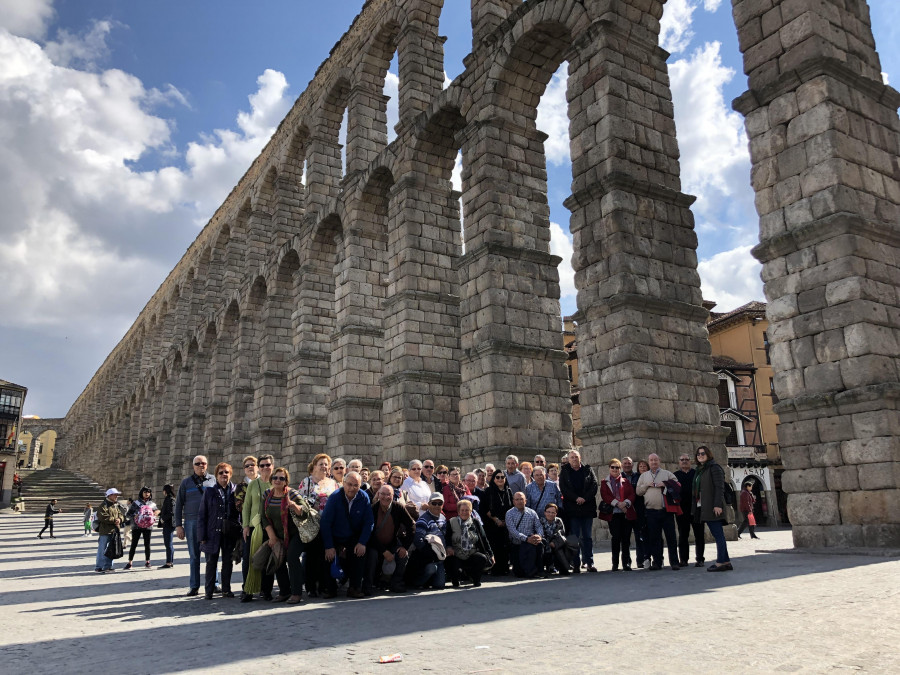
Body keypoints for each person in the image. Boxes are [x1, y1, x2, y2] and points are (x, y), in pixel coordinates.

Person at [321, 471, 374, 599]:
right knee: (326, 555)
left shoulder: (363, 497)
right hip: (335, 535)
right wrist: (329, 546)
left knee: (360, 553)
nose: (352, 488)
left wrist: (362, 542)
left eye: (356, 485)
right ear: (343, 483)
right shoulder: (334, 497)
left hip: (352, 536)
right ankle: (329, 588)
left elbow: (369, 522)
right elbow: (325, 523)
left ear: (360, 485)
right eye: (349, 484)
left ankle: (354, 587)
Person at [260, 467, 307, 604]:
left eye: (281, 478)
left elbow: (305, 513)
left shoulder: (292, 494)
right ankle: (284, 591)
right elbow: (263, 516)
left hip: (295, 534)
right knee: (278, 559)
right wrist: (272, 536)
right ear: (271, 479)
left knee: (292, 558)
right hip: (277, 534)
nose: (278, 480)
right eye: (275, 478)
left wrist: (294, 506)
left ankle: (296, 593)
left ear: (286, 481)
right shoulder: (267, 494)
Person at [199, 463, 241, 599]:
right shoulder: (209, 491)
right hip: (212, 532)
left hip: (229, 532)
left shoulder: (236, 491)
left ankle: (226, 589)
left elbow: (240, 513)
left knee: (228, 562)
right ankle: (209, 591)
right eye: (221, 472)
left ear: (230, 474)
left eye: (227, 472)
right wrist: (202, 535)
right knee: (211, 562)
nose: (224, 475)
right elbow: (202, 514)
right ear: (216, 475)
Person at [175, 455, 215, 596]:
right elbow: (179, 504)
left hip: (210, 522)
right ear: (193, 466)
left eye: (203, 463)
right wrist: (178, 525)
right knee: (194, 555)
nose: (201, 465)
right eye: (198, 463)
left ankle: (213, 583)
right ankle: (194, 586)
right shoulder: (186, 483)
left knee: (211, 554)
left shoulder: (213, 480)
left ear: (207, 464)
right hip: (192, 522)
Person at [365, 485, 415, 593]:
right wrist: (384, 551)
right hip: (375, 544)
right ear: (378, 495)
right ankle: (368, 585)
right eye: (382, 494)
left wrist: (404, 546)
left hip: (392, 543)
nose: (385, 497)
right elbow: (370, 534)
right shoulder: (372, 509)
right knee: (372, 556)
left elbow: (411, 526)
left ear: (393, 496)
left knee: (403, 555)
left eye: (388, 494)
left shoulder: (398, 507)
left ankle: (396, 583)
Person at [636, 453, 680, 571]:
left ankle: (674, 562)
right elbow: (638, 491)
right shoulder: (644, 476)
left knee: (671, 538)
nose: (654, 462)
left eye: (656, 460)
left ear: (659, 461)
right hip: (651, 512)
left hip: (666, 511)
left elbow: (677, 486)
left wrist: (665, 484)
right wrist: (646, 485)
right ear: (648, 462)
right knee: (654, 538)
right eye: (651, 460)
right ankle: (657, 562)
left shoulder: (667, 474)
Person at [241, 454, 275, 601]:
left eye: (268, 465)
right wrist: (245, 525)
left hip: (272, 528)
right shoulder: (253, 484)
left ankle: (266, 590)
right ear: (258, 468)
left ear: (272, 466)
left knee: (268, 559)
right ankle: (247, 589)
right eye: (262, 465)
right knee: (250, 559)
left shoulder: (277, 482)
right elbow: (246, 506)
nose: (265, 468)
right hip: (255, 528)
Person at [694, 446, 733, 571]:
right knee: (718, 535)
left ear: (708, 454)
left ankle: (720, 562)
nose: (700, 455)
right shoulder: (701, 469)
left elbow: (719, 487)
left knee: (718, 535)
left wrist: (717, 505)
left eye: (703, 453)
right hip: (705, 507)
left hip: (713, 507)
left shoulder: (714, 468)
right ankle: (726, 561)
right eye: (698, 454)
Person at [559, 449, 598, 573]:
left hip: (587, 507)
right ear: (568, 460)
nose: (574, 459)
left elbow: (594, 485)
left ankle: (589, 562)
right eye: (572, 457)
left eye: (576, 457)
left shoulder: (587, 469)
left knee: (587, 537)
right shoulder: (565, 471)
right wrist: (576, 498)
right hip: (573, 508)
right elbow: (564, 488)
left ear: (580, 458)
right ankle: (576, 564)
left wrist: (584, 498)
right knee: (574, 538)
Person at [599, 459, 637, 571]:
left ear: (620, 469)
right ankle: (615, 564)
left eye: (617, 467)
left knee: (626, 539)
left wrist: (625, 503)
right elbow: (605, 496)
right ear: (609, 468)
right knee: (615, 538)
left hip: (625, 513)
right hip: (613, 514)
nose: (615, 469)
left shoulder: (626, 481)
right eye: (613, 467)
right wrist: (618, 504)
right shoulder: (604, 482)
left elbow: (632, 495)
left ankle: (626, 563)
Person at [446, 499, 493, 587]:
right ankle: (455, 578)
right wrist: (449, 547)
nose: (464, 512)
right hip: (457, 554)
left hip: (472, 553)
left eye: (467, 510)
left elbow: (483, 538)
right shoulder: (451, 522)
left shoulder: (475, 522)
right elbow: (447, 537)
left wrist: (491, 554)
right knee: (450, 561)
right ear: (458, 512)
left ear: (471, 511)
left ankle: (475, 578)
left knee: (481, 558)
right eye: (462, 510)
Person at [410, 492, 448, 589]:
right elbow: (418, 541)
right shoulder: (423, 520)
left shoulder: (443, 518)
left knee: (439, 585)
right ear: (429, 504)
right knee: (431, 569)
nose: (437, 506)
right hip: (427, 558)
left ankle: (430, 580)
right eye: (434, 503)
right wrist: (431, 555)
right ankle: (418, 583)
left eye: (439, 503)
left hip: (440, 557)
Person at [674, 453, 705, 567]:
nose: (684, 461)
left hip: (696, 509)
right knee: (683, 535)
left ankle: (700, 559)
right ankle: (683, 559)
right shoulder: (675, 475)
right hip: (681, 510)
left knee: (699, 535)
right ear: (679, 462)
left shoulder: (696, 474)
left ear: (690, 461)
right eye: (682, 460)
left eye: (687, 459)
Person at [481, 470, 513, 576]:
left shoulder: (508, 491)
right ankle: (495, 568)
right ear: (494, 479)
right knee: (495, 546)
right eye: (497, 477)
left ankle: (505, 567)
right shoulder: (488, 491)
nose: (500, 479)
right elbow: (484, 509)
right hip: (492, 524)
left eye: (502, 477)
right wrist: (496, 520)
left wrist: (506, 521)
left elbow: (512, 507)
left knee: (505, 546)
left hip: (506, 523)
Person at [505, 492, 543, 578]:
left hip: (531, 542)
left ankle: (538, 570)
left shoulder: (532, 512)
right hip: (517, 544)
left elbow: (539, 526)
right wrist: (526, 539)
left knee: (539, 544)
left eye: (521, 499)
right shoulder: (509, 513)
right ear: (513, 501)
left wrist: (539, 536)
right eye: (517, 499)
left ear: (525, 501)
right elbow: (512, 531)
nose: (519, 501)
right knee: (519, 573)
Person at [124, 486, 159, 570]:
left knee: (147, 544)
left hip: (148, 526)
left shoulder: (152, 504)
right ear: (141, 493)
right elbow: (128, 514)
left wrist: (157, 512)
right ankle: (130, 562)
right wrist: (134, 515)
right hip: (136, 526)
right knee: (134, 544)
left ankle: (147, 561)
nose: (147, 494)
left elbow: (157, 511)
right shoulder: (135, 503)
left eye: (148, 492)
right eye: (145, 492)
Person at [95, 488, 124, 572]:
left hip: (114, 530)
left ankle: (107, 566)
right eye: (115, 495)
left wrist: (120, 519)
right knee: (102, 549)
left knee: (111, 549)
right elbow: (103, 517)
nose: (116, 496)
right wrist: (115, 520)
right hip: (105, 531)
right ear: (109, 495)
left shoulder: (115, 505)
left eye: (117, 495)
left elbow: (121, 515)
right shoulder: (103, 505)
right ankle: (99, 566)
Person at [539, 503, 570, 575]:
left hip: (556, 543)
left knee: (566, 545)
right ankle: (545, 568)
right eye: (548, 512)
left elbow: (561, 533)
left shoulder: (558, 521)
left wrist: (553, 542)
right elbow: (540, 533)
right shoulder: (541, 521)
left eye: (553, 512)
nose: (550, 514)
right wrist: (548, 543)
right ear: (545, 512)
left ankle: (563, 567)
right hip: (545, 544)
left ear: (556, 513)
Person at [633, 459, 650, 568]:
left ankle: (655, 558)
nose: (643, 468)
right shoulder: (635, 478)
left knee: (653, 535)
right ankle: (640, 559)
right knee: (639, 536)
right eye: (641, 466)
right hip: (639, 510)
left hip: (650, 508)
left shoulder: (651, 476)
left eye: (644, 466)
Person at [158, 484, 176, 568]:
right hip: (169, 524)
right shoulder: (171, 499)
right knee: (169, 543)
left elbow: (170, 513)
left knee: (168, 543)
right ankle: (170, 561)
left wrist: (163, 519)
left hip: (169, 524)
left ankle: (169, 562)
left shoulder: (169, 499)